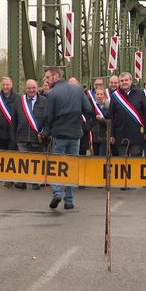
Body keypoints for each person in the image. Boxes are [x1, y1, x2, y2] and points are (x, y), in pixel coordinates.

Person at [41, 66, 93, 210]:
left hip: (59, 135)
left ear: (56, 76)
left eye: (47, 77)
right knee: (72, 166)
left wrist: (46, 132)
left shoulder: (52, 94)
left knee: (57, 165)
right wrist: (84, 127)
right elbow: (89, 110)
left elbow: (48, 117)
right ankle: (69, 200)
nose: (46, 80)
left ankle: (57, 191)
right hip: (75, 134)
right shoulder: (77, 90)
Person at [10, 79, 47, 190]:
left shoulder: (44, 101)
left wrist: (45, 133)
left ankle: (35, 181)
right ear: (25, 89)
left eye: (33, 88)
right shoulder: (19, 102)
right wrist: (14, 137)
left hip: (38, 138)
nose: (31, 90)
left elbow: (48, 120)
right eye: (29, 88)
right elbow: (14, 121)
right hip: (22, 136)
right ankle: (23, 182)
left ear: (37, 88)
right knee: (23, 160)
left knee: (36, 161)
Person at [108, 72, 146, 156]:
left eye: (126, 80)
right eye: (122, 81)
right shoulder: (115, 96)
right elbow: (111, 116)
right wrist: (111, 134)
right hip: (120, 134)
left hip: (136, 134)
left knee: (136, 158)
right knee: (122, 161)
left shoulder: (140, 93)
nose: (124, 82)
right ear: (119, 83)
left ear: (131, 81)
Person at [90, 88, 110, 156]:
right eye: (97, 94)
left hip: (104, 138)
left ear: (104, 95)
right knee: (95, 158)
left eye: (101, 94)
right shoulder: (92, 107)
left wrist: (102, 119)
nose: (99, 96)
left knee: (102, 158)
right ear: (95, 95)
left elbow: (110, 123)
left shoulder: (108, 107)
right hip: (94, 137)